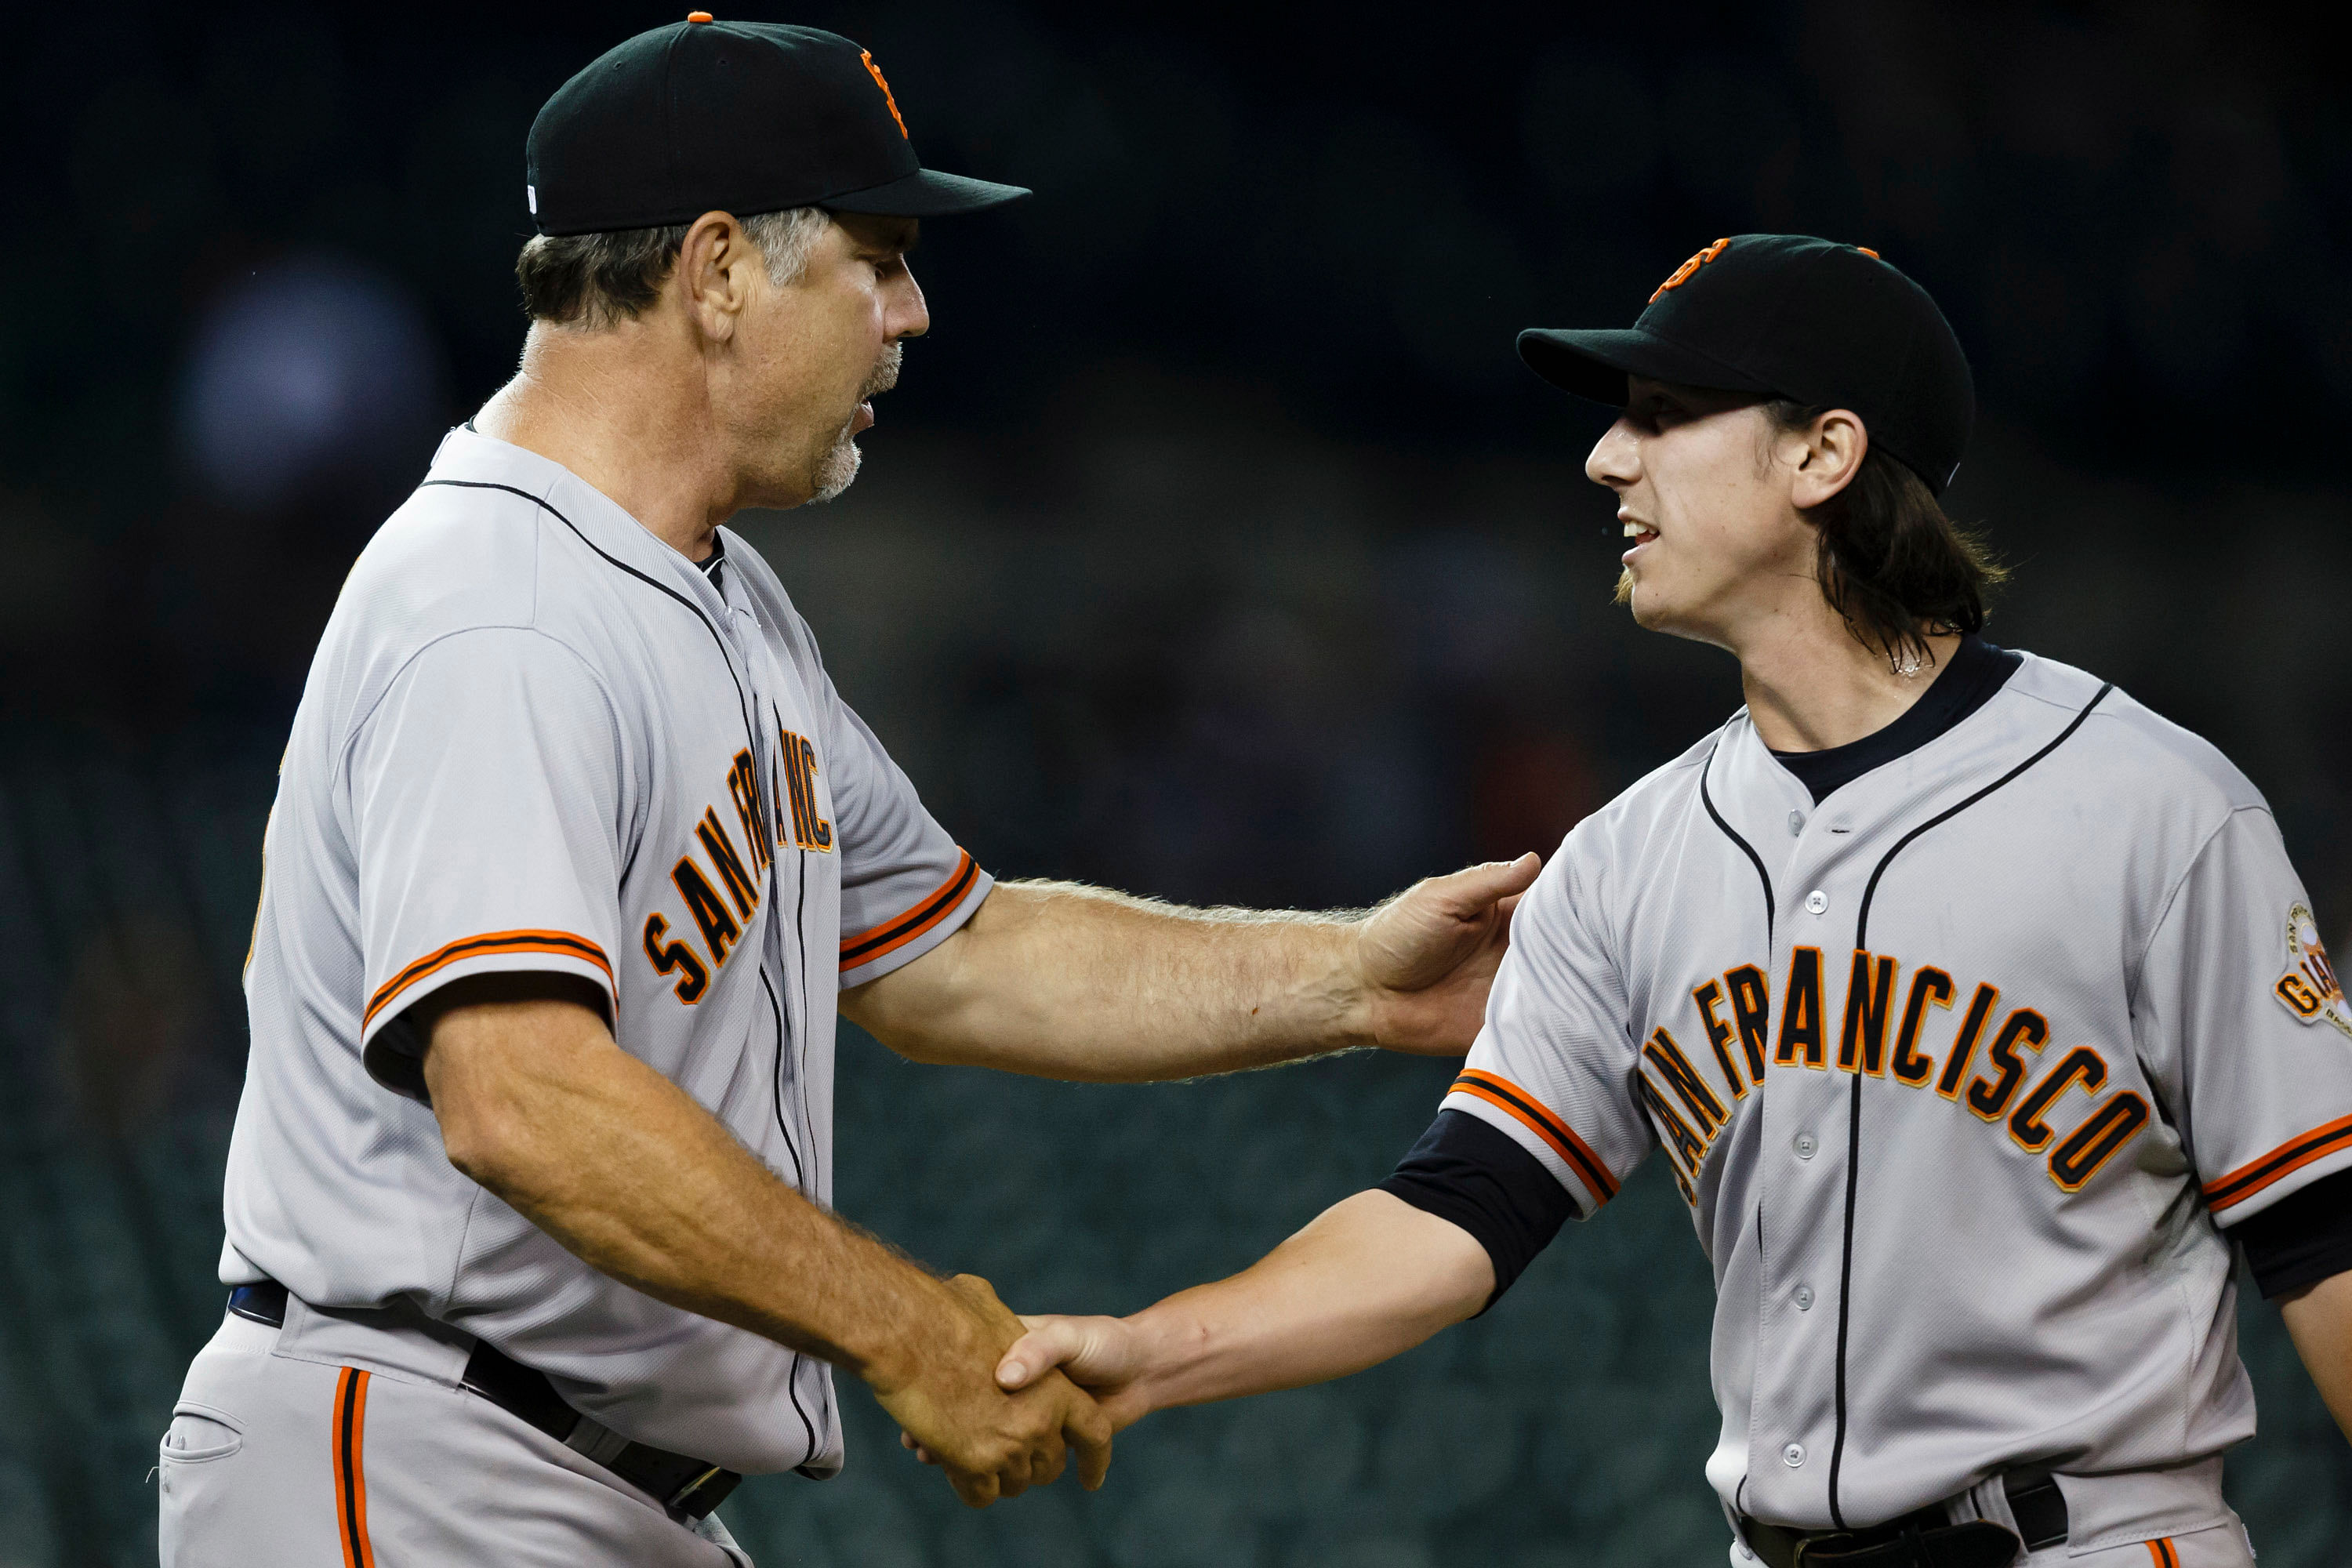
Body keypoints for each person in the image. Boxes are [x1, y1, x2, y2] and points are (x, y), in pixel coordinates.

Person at [154, 17, 1537, 1566]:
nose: (914, 312)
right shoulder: (502, 598)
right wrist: (906, 1329)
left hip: (576, 1481)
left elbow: (962, 951)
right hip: (421, 1456)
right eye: (878, 259)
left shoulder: (717, 602)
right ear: (722, 271)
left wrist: (1353, 974)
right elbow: (517, 1093)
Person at [990, 234, 2352, 1568]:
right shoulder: (1625, 859)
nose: (1605, 458)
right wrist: (1155, 1352)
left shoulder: (2151, 809)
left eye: (1665, 414)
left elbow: (2323, 1235)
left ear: (1824, 454)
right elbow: (1456, 1215)